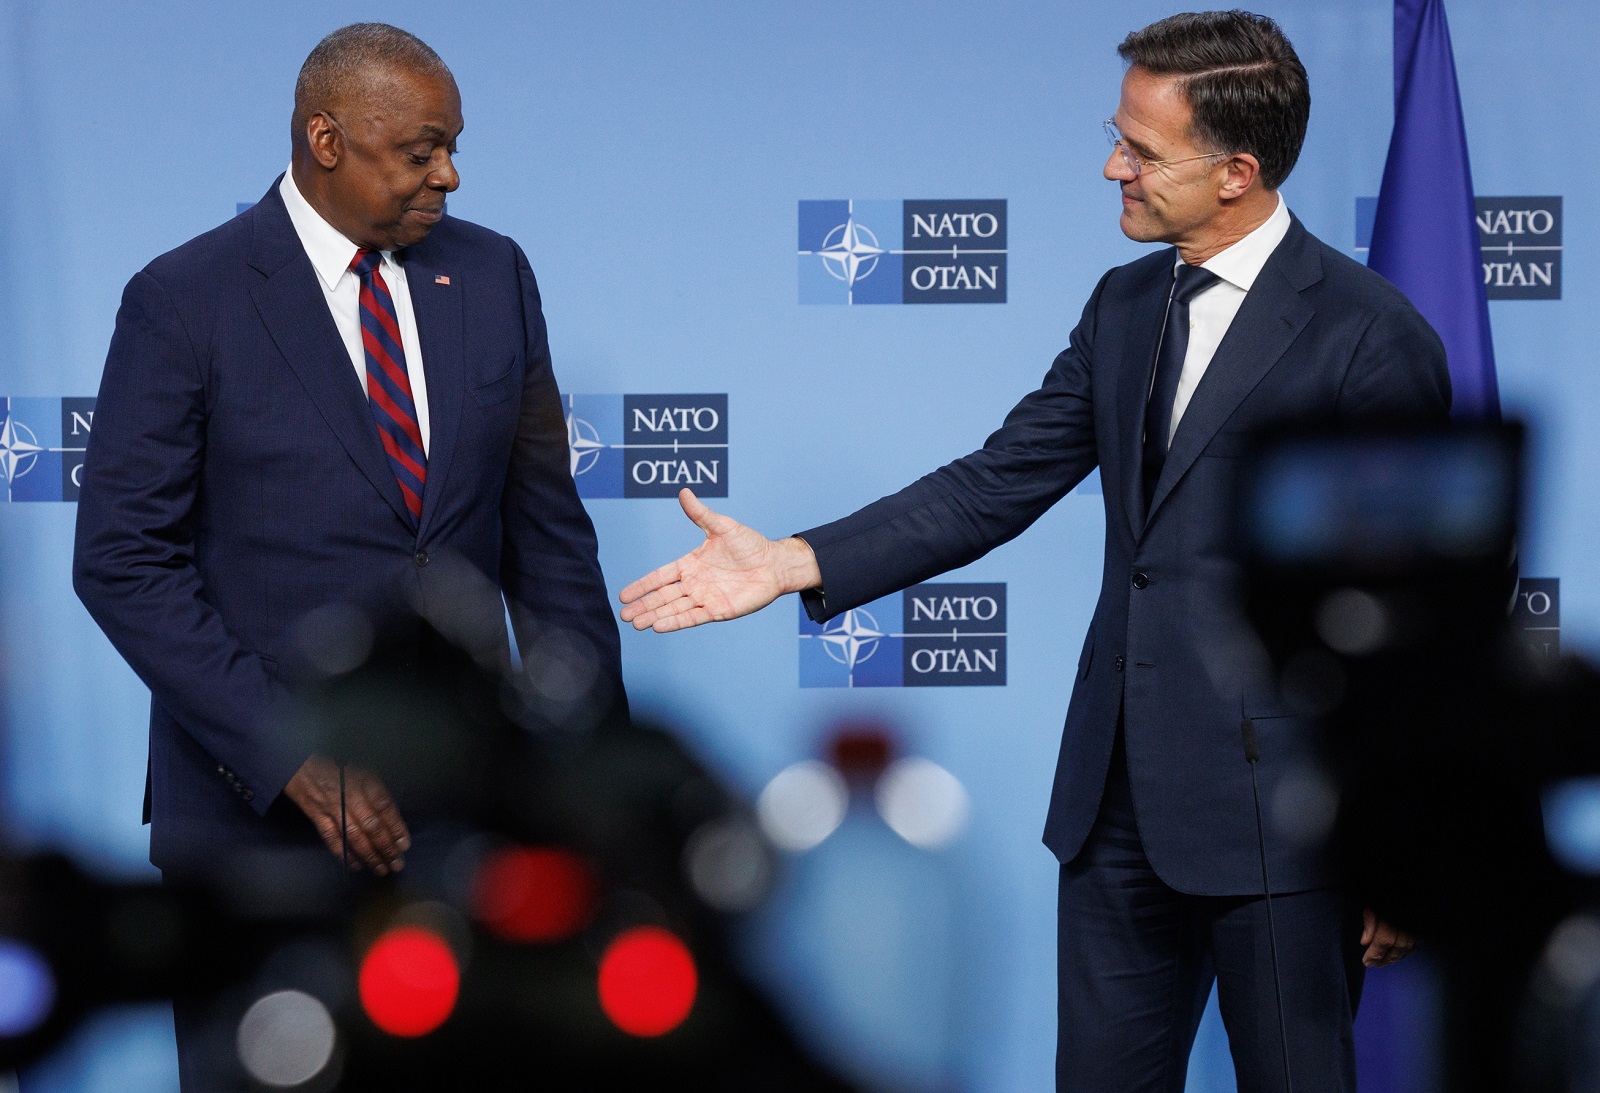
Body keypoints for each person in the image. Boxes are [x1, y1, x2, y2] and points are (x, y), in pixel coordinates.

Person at [621, 11, 1446, 1091]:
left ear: (1236, 171)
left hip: (1282, 828)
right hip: (1113, 813)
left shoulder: (1367, 336)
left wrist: (1404, 836)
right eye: (1116, 136)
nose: (1113, 166)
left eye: (1142, 153)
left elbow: (1419, 609)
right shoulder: (1123, 304)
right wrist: (793, 561)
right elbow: (997, 479)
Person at [72, 22, 624, 1086]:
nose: (448, 174)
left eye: (452, 146)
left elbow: (548, 541)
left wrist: (595, 778)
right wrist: (293, 759)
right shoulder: (183, 300)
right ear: (325, 139)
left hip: (461, 839)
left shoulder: (496, 275)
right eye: (419, 150)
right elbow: (123, 560)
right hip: (250, 838)